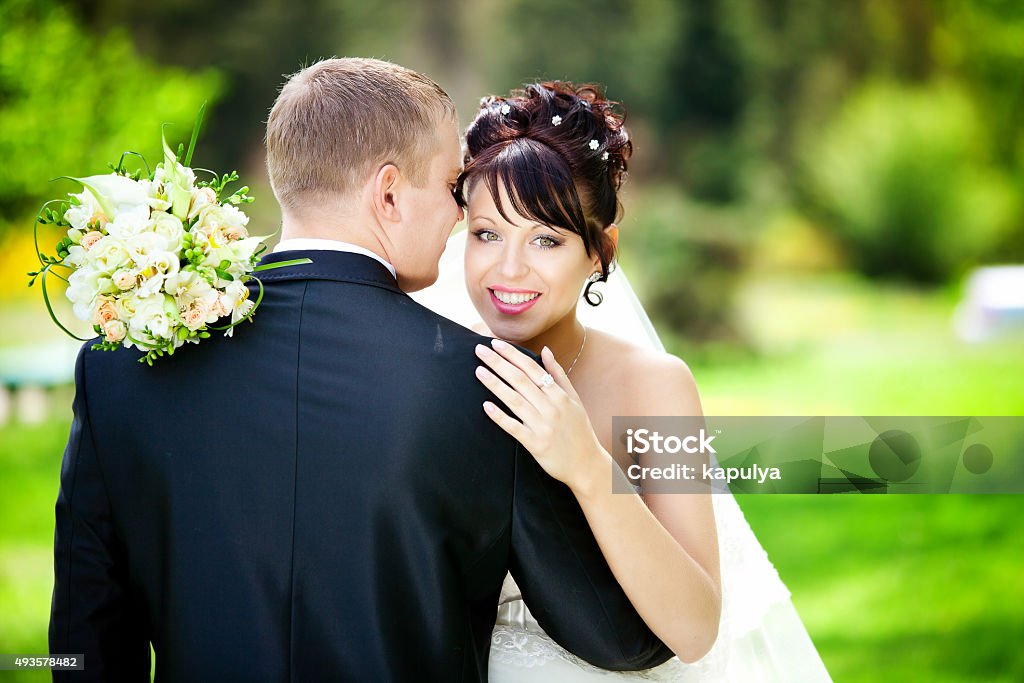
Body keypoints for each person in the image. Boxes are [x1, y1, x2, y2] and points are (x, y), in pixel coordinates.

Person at [47, 59, 674, 681]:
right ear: (390, 193)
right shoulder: (493, 387)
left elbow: (80, 644)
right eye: (454, 188)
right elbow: (623, 642)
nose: (461, 216)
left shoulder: (119, 371)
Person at [413, 81, 832, 681]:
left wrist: (585, 463)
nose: (509, 268)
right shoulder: (433, 363)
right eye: (487, 234)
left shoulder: (655, 388)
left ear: (600, 251)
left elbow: (694, 629)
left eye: (546, 240)